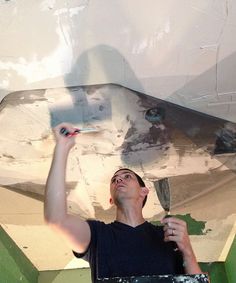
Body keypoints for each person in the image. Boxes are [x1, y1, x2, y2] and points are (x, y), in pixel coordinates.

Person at [44, 123, 202, 282]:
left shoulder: (167, 237)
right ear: (111, 200)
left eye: (127, 176)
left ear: (144, 191)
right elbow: (56, 220)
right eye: (114, 180)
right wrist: (62, 147)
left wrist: (187, 249)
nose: (119, 179)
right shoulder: (98, 235)